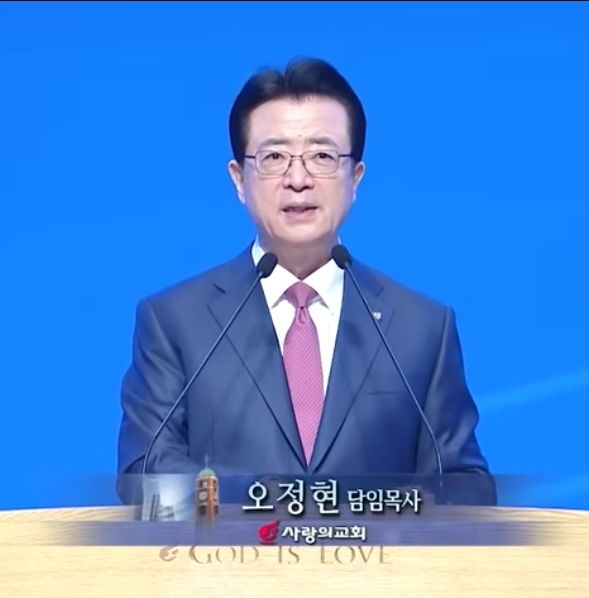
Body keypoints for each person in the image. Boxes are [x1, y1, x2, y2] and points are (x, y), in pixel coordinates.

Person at [116, 57, 495, 507]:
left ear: (355, 178)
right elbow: (144, 476)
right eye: (274, 157)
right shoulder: (175, 321)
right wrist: (275, 500)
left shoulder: (422, 328)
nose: (298, 180)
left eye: (322, 156)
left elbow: (466, 488)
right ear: (239, 180)